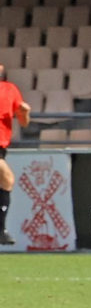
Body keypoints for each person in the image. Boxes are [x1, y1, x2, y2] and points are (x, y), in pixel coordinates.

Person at [0, 65, 32, 246]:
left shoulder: (10, 89)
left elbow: (24, 122)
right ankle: (1, 230)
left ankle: (1, 230)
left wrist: (25, 112)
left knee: (6, 181)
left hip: (2, 146)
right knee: (7, 179)